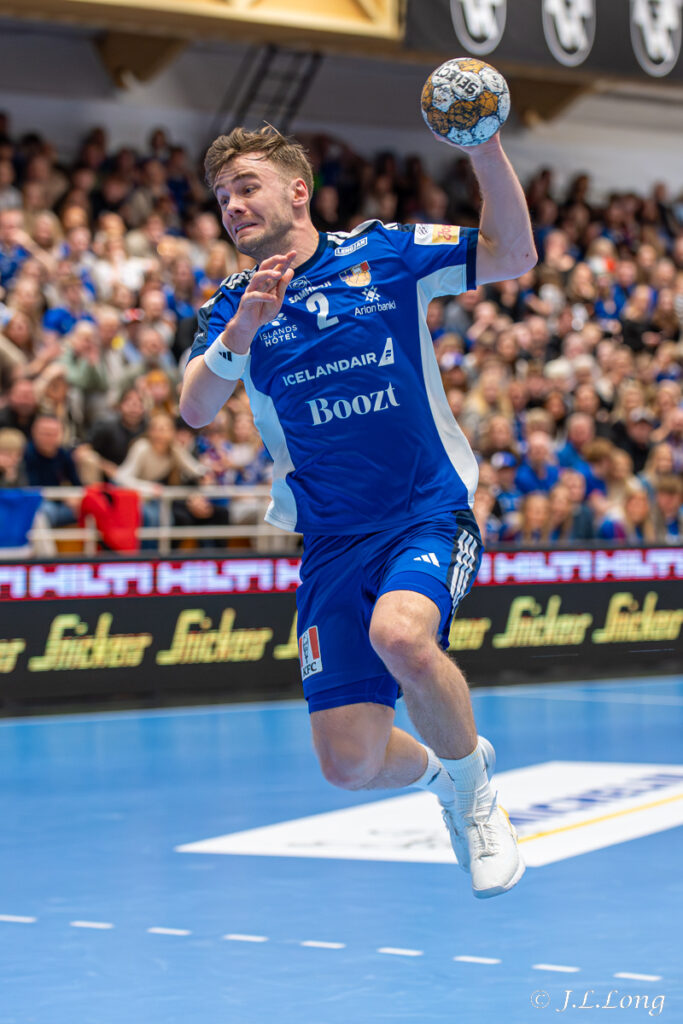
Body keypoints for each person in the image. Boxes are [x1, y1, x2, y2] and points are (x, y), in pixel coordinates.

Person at [180, 125, 536, 899]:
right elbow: (195, 408)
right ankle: (445, 772)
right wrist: (241, 332)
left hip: (423, 515)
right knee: (349, 764)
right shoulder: (231, 306)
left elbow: (512, 254)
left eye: (246, 186)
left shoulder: (386, 252)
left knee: (399, 636)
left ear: (296, 190)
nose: (232, 205)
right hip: (330, 542)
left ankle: (476, 799)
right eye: (222, 196)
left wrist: (483, 151)